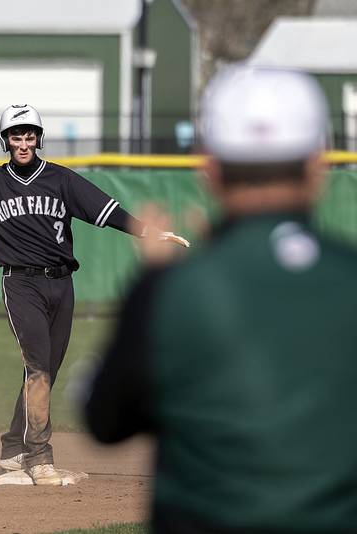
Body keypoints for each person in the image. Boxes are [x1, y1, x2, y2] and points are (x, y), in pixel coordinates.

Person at [85, 65, 357, 532]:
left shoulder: (171, 290)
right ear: (318, 168)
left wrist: (149, 287)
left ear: (208, 169)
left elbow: (106, 422)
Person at [0, 104, 189, 485]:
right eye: (15, 135)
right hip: (20, 284)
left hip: (62, 284)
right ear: (5, 140)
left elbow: (106, 212)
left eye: (29, 135)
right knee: (39, 367)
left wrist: (150, 232)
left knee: (44, 369)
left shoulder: (61, 180)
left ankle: (13, 447)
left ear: (38, 139)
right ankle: (40, 458)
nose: (23, 142)